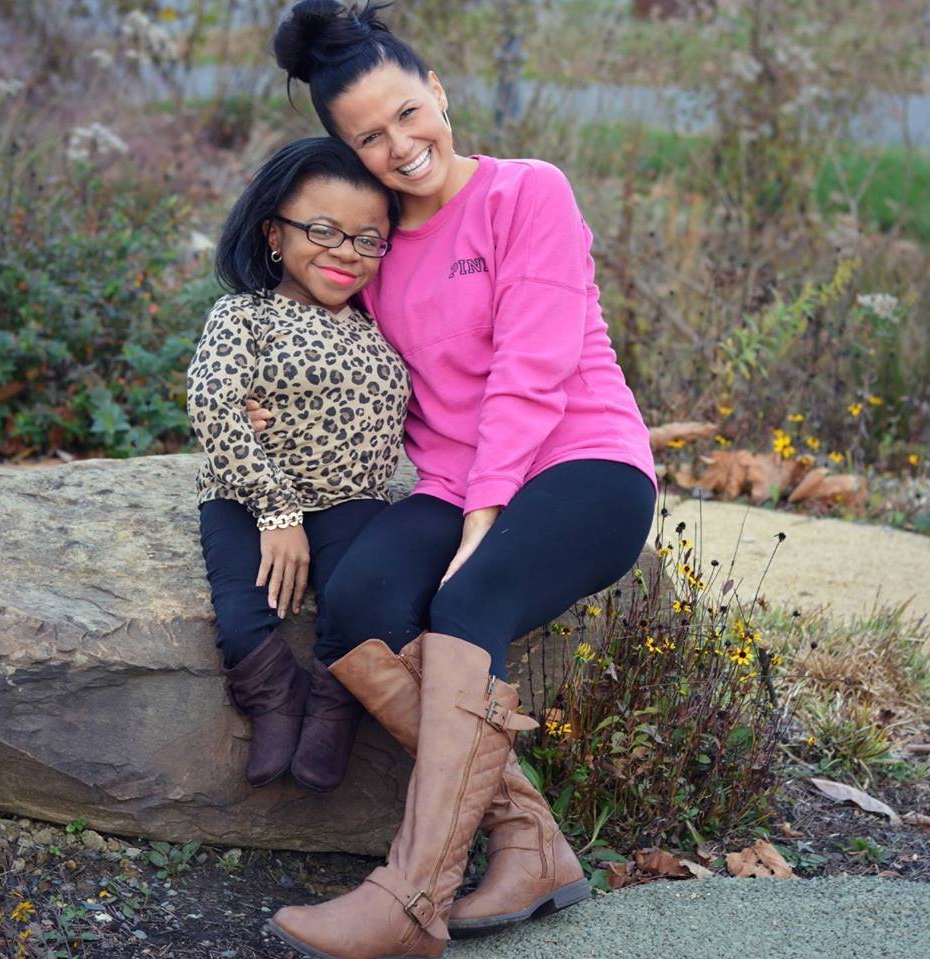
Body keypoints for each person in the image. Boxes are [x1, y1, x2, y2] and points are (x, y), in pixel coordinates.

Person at [253, 3, 658, 956]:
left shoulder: (528, 193)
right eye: (368, 137)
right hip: (452, 479)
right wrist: (268, 405)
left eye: (407, 114)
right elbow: (325, 335)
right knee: (357, 601)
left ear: (437, 90)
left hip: (583, 464)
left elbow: (532, 368)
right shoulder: (376, 241)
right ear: (346, 147)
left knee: (468, 597)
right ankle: (531, 843)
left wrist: (483, 518)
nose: (399, 146)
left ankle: (412, 894)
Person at [186, 136, 410, 795]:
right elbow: (211, 400)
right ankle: (276, 698)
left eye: (369, 239)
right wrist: (275, 509)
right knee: (241, 611)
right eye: (323, 230)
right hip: (247, 492)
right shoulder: (244, 315)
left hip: (354, 498)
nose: (346, 252)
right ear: (274, 235)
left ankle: (336, 702)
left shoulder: (380, 325)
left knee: (364, 596)